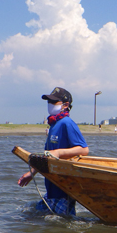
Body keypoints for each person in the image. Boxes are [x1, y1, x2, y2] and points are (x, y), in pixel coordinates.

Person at [17, 87, 89, 216]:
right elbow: (47, 156)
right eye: (49, 101)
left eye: (54, 102)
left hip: (63, 191)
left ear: (65, 105)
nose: (50, 105)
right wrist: (32, 172)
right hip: (51, 190)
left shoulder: (67, 123)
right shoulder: (53, 125)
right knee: (29, 215)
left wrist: (59, 153)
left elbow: (84, 149)